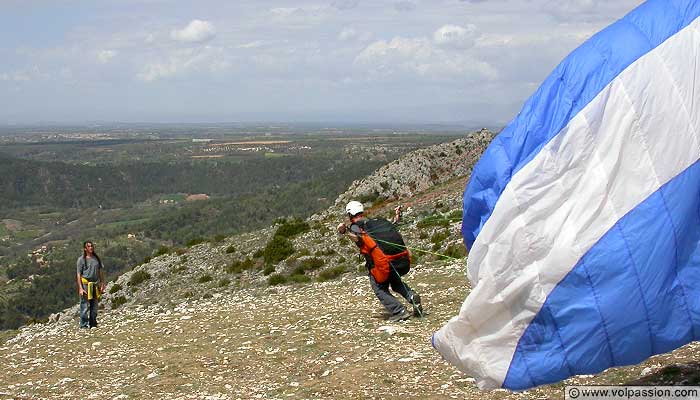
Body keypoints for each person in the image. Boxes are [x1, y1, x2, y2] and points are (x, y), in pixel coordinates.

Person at [338, 200, 423, 322]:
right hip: (397, 258)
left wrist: (345, 231)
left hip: (382, 263)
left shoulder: (357, 227)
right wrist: (397, 215)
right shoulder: (374, 222)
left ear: (350, 214)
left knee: (378, 287)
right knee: (396, 282)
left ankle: (399, 311)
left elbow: (358, 240)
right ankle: (411, 296)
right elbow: (393, 225)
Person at [76, 241, 105, 329]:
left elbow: (100, 271)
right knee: (84, 305)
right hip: (85, 284)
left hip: (95, 284)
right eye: (89, 246)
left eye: (92, 246)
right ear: (85, 249)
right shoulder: (81, 260)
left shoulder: (96, 258)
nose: (91, 248)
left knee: (94, 305)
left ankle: (93, 323)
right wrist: (80, 288)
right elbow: (78, 274)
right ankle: (84, 325)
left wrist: (102, 283)